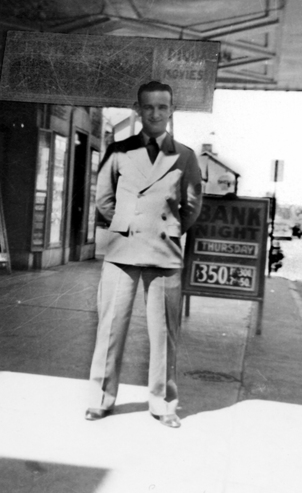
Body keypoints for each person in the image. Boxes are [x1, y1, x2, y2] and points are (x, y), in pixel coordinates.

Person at [86, 81, 203, 428]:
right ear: (138, 110)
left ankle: (164, 404)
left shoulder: (185, 155)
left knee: (165, 333)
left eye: (162, 107)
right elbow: (103, 199)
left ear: (171, 111)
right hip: (123, 250)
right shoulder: (119, 150)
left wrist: (167, 228)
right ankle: (100, 399)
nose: (155, 113)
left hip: (164, 253)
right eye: (148, 107)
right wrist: (125, 224)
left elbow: (192, 205)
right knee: (110, 328)